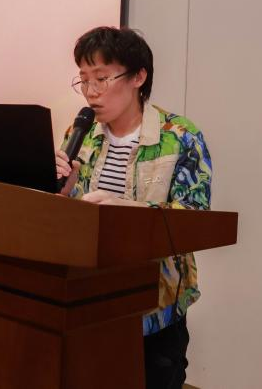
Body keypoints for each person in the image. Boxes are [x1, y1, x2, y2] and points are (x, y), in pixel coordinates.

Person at [55, 26, 212, 389]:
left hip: (154, 308)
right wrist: (62, 192)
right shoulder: (81, 135)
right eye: (83, 80)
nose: (91, 91)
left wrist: (128, 210)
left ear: (138, 77)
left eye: (102, 78)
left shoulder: (180, 136)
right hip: (87, 300)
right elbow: (71, 220)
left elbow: (196, 220)